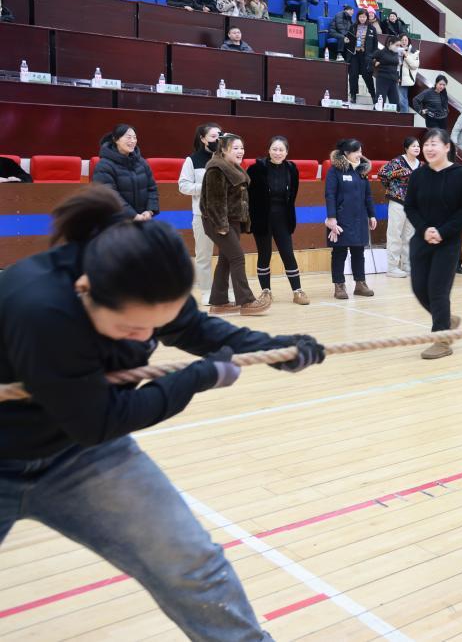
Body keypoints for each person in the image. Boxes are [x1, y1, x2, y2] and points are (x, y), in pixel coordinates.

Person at [0, 186, 325, 641]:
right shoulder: (42, 308)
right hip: (54, 439)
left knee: (192, 564)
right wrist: (195, 378)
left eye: (153, 326)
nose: (146, 337)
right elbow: (99, 421)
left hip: (75, 454)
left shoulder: (142, 270)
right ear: (84, 289)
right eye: (131, 328)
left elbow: (193, 327)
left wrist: (275, 349)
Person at [404, 129, 462, 359]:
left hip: (448, 242)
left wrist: (442, 232)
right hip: (421, 239)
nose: (428, 148)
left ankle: (442, 340)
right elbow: (410, 206)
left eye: (434, 144)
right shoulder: (418, 175)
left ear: (447, 147)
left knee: (437, 290)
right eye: (426, 144)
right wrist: (425, 230)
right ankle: (446, 320)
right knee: (419, 288)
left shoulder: (460, 175)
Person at [201, 133, 270, 316]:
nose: (241, 151)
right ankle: (246, 301)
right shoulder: (216, 169)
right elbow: (214, 203)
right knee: (238, 257)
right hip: (218, 222)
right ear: (224, 150)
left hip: (232, 221)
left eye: (242, 148)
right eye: (236, 148)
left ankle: (219, 302)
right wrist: (221, 226)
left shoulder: (233, 167)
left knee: (226, 259)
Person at [247, 137, 308, 306]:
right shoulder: (256, 169)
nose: (278, 153)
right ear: (268, 150)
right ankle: (266, 292)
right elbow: (249, 196)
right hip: (262, 219)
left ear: (286, 152)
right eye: (274, 149)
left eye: (281, 150)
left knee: (288, 253)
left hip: (283, 218)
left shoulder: (292, 169)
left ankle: (297, 291)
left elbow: (292, 195)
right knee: (264, 254)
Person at [324, 139, 377, 300]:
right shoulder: (335, 171)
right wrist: (332, 218)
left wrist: (371, 215)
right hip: (340, 219)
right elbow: (330, 195)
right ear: (346, 153)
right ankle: (339, 285)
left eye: (360, 151)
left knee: (359, 251)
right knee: (339, 252)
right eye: (356, 151)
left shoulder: (361, 171)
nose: (360, 154)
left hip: (359, 218)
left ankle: (360, 284)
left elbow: (368, 195)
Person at [178, 124, 221, 302]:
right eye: (213, 137)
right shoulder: (192, 160)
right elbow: (183, 186)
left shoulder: (225, 158)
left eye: (220, 136)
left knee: (229, 254)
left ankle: (228, 290)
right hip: (202, 214)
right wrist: (205, 186)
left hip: (225, 214)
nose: (217, 140)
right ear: (203, 139)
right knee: (204, 255)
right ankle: (206, 291)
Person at [93, 125, 158, 221]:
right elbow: (110, 195)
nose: (133, 141)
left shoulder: (142, 163)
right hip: (115, 222)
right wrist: (132, 215)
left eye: (134, 137)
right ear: (116, 139)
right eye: (128, 137)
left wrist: (150, 211)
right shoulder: (104, 166)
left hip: (142, 220)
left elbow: (152, 188)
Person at [378, 137, 421, 278]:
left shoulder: (421, 165)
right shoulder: (397, 162)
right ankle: (392, 267)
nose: (417, 148)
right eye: (413, 146)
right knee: (395, 234)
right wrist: (394, 187)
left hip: (413, 205)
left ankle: (407, 265)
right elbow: (382, 174)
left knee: (410, 235)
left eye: (418, 146)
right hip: (398, 202)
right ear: (406, 148)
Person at [344, 10, 378, 104]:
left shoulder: (372, 29)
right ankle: (353, 95)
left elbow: (375, 45)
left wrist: (372, 56)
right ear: (358, 17)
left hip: (366, 56)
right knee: (353, 75)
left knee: (367, 76)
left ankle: (373, 95)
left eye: (364, 17)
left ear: (367, 17)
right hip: (354, 55)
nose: (362, 18)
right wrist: (347, 41)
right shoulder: (353, 27)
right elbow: (348, 40)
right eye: (360, 17)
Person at [371, 34, 402, 110]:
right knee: (380, 102)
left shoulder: (396, 54)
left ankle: (394, 117)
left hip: (393, 80)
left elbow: (397, 68)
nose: (398, 47)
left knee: (396, 103)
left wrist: (398, 77)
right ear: (391, 43)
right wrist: (375, 62)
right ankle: (375, 115)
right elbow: (370, 58)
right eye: (397, 45)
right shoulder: (381, 52)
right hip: (382, 79)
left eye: (399, 45)